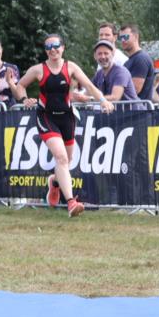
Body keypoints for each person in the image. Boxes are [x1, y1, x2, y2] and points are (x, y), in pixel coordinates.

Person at [7, 34, 114, 217]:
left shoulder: (70, 67)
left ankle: (54, 182)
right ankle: (71, 203)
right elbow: (20, 86)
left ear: (63, 48)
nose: (52, 50)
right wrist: (24, 99)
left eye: (56, 45)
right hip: (46, 117)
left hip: (67, 118)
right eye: (48, 47)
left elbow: (89, 86)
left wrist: (103, 100)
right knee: (61, 158)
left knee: (67, 161)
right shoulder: (38, 69)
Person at [73, 40, 141, 108]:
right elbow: (89, 90)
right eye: (99, 54)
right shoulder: (99, 74)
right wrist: (78, 96)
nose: (103, 57)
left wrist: (89, 99)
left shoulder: (121, 72)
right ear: (95, 56)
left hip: (135, 113)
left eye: (106, 53)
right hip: (116, 113)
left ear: (112, 54)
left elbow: (115, 97)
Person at [119, 23, 155, 101]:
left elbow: (134, 90)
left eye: (126, 37)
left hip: (139, 108)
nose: (123, 40)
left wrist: (113, 95)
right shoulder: (129, 61)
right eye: (120, 38)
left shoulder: (141, 59)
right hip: (131, 107)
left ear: (136, 37)